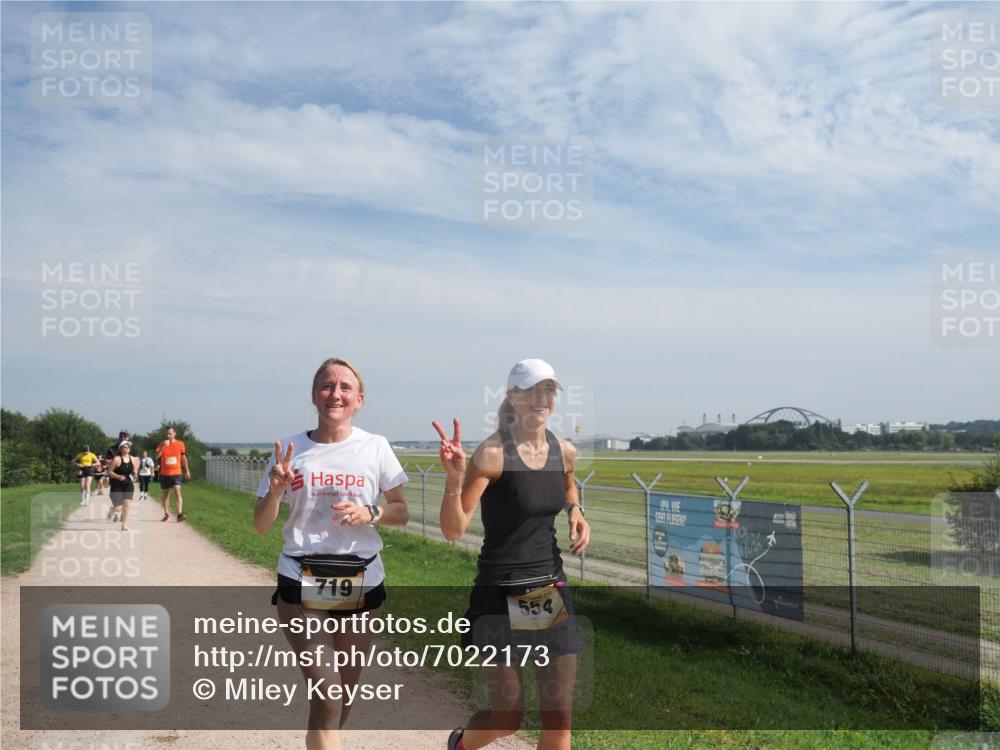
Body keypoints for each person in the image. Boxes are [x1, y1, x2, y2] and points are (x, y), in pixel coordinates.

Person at [433, 359, 591, 750]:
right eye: (532, 390)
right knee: (508, 715)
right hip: (500, 594)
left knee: (559, 721)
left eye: (549, 390)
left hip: (547, 590)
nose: (542, 399)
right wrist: (454, 479)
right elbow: (454, 528)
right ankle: (461, 744)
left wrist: (576, 510)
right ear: (513, 397)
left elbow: (567, 487)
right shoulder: (492, 454)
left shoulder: (564, 451)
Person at [254, 357, 409, 750]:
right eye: (326, 386)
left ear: (359, 399)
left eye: (344, 387)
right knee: (327, 693)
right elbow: (260, 525)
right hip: (300, 576)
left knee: (344, 693)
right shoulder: (291, 450)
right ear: (313, 396)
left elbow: (401, 511)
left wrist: (370, 512)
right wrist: (275, 490)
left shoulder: (375, 447)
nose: (335, 393)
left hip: (360, 578)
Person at [156, 426, 190, 521]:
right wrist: (162, 447)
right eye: (167, 434)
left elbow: (183, 458)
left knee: (177, 491)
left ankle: (179, 513)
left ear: (174, 434)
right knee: (166, 494)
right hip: (165, 473)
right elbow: (156, 457)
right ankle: (166, 513)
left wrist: (187, 470)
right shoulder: (162, 444)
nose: (168, 435)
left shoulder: (180, 444)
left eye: (170, 434)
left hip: (176, 472)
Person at [108, 440, 137, 530]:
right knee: (119, 507)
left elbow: (135, 469)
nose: (127, 448)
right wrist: (118, 476)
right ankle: (112, 510)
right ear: (120, 449)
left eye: (128, 446)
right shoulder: (117, 459)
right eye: (125, 446)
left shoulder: (132, 458)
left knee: (127, 505)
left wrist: (135, 472)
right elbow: (109, 472)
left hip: (128, 483)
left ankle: (124, 524)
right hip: (116, 484)